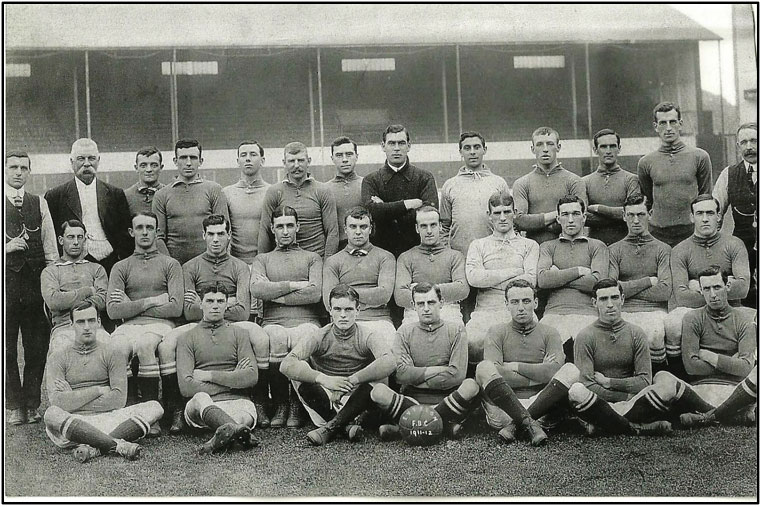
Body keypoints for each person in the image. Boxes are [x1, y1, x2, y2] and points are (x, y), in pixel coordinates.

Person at [162, 214, 269, 429]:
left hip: (231, 322)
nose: (216, 239)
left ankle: (259, 402)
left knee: (259, 336)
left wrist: (209, 306)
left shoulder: (239, 267)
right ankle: (175, 406)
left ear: (229, 235)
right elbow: (188, 311)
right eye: (211, 234)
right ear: (203, 236)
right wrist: (225, 303)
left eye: (221, 233)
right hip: (198, 322)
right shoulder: (190, 267)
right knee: (166, 345)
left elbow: (242, 312)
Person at [43, 301, 163, 463]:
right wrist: (98, 390)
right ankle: (117, 444)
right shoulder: (58, 357)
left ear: (99, 323)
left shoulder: (113, 353)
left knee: (155, 407)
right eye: (80, 322)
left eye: (91, 320)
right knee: (51, 414)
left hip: (109, 419)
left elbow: (119, 400)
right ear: (71, 325)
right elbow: (58, 402)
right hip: (74, 423)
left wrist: (73, 397)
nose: (87, 326)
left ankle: (94, 447)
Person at [281, 284, 396, 446]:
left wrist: (352, 380)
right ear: (330, 310)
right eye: (337, 309)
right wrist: (324, 379)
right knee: (298, 370)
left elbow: (390, 362)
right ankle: (344, 425)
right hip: (326, 401)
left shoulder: (368, 334)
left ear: (358, 310)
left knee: (380, 375)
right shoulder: (319, 336)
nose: (343, 315)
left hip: (359, 401)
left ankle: (333, 427)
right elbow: (286, 364)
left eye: (348, 309)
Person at [474, 280, 580, 445]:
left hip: (543, 407)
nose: (521, 307)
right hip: (505, 410)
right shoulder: (496, 332)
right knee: (483, 368)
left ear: (536, 303)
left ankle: (517, 425)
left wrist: (513, 366)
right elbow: (493, 371)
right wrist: (540, 373)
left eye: (526, 301)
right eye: (515, 302)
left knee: (571, 370)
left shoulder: (550, 333)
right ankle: (529, 424)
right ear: (506, 304)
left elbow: (554, 371)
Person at [107, 212, 184, 436]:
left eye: (149, 228)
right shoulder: (121, 267)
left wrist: (131, 305)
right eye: (139, 228)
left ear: (157, 232)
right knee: (117, 347)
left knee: (144, 345)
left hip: (161, 325)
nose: (144, 232)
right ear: (131, 232)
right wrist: (153, 300)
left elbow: (175, 307)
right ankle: (130, 409)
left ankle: (153, 414)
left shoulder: (171, 264)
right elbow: (113, 311)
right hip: (127, 326)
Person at [370, 283, 480, 440]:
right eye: (421, 304)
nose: (426, 308)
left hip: (447, 399)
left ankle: (407, 426)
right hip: (411, 400)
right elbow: (400, 375)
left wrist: (416, 372)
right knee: (378, 392)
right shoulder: (404, 332)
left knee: (471, 386)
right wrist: (438, 370)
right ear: (413, 306)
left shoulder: (456, 330)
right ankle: (443, 425)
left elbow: (457, 375)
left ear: (441, 303)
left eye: (431, 302)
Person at [567, 280, 673, 437]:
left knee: (665, 387)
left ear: (622, 299)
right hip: (601, 401)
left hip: (632, 402)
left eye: (614, 298)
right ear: (594, 302)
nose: (610, 304)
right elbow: (587, 384)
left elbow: (644, 381)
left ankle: (606, 425)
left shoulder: (636, 333)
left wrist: (609, 382)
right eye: (603, 299)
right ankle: (636, 428)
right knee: (576, 391)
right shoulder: (585, 336)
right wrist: (623, 397)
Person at [664, 195, 753, 378]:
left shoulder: (734, 244)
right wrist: (722, 287)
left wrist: (701, 287)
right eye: (700, 213)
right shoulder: (680, 250)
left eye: (710, 213)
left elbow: (743, 288)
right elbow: (682, 296)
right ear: (692, 217)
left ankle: (746, 378)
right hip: (695, 310)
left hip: (733, 307)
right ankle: (683, 378)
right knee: (673, 324)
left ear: (719, 216)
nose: (705, 218)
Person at [251, 206, 323, 429]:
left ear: (298, 227)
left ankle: (297, 404)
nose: (285, 231)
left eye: (290, 225)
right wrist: (294, 285)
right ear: (272, 228)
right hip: (274, 321)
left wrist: (276, 294)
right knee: (275, 337)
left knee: (306, 336)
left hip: (307, 320)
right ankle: (281, 403)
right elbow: (257, 290)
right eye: (280, 226)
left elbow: (315, 293)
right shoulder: (262, 259)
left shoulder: (312, 258)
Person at [6, 150, 58, 425]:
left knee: (37, 346)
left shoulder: (39, 203)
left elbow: (50, 247)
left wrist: (52, 283)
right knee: (7, 348)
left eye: (23, 168)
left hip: (35, 285)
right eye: (12, 167)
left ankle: (32, 402)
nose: (18, 172)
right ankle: (14, 404)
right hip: (6, 288)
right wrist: (6, 247)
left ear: (29, 171)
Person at [177, 283, 260, 454]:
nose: (215, 305)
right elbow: (186, 387)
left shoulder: (239, 333)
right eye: (209, 301)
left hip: (237, 400)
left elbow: (251, 377)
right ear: (201, 304)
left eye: (220, 301)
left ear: (227, 304)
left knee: (244, 417)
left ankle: (223, 436)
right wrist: (234, 378)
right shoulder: (186, 338)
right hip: (201, 408)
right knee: (200, 397)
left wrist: (208, 375)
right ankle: (235, 432)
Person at [440, 131, 511, 323]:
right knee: (463, 308)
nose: (472, 152)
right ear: (460, 152)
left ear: (485, 150)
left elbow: (507, 219)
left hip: (490, 257)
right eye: (467, 148)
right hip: (460, 257)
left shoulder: (498, 183)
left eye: (477, 147)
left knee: (490, 308)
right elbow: (445, 226)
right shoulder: (450, 185)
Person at [465, 191, 539, 363]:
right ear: (489, 215)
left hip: (518, 309)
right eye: (497, 213)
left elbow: (530, 280)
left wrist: (490, 279)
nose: (503, 218)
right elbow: (474, 278)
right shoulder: (478, 245)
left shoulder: (529, 245)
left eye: (507, 212)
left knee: (530, 343)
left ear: (514, 212)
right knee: (470, 343)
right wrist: (514, 271)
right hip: (486, 311)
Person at [678, 266, 757, 427]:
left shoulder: (744, 320)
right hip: (701, 391)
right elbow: (691, 368)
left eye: (717, 287)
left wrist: (709, 356)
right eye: (706, 289)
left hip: (736, 391)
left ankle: (706, 418)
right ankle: (736, 417)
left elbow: (746, 369)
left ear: (727, 287)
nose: (712, 295)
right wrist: (731, 363)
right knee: (663, 377)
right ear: (700, 291)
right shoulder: (692, 318)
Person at [45, 138, 132, 275]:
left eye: (91, 158)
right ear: (71, 162)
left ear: (98, 160)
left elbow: (125, 233)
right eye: (81, 158)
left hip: (110, 263)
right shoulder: (55, 196)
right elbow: (51, 236)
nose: (86, 164)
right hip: (72, 266)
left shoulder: (116, 194)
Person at [537, 195, 608, 362]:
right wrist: (578, 271)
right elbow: (543, 280)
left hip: (587, 314)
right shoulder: (547, 247)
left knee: (588, 356)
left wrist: (558, 275)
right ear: (558, 218)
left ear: (584, 218)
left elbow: (597, 284)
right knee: (548, 359)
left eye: (576, 214)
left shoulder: (597, 246)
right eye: (565, 214)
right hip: (554, 313)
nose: (570, 220)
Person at [608, 195, 672, 370]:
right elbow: (611, 290)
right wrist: (648, 281)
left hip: (654, 312)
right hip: (624, 311)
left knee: (655, 333)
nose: (636, 220)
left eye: (641, 214)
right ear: (623, 216)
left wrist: (626, 289)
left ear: (650, 214)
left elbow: (665, 291)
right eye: (631, 215)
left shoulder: (663, 249)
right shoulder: (613, 250)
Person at [637, 102, 712, 247]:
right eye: (663, 123)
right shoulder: (645, 162)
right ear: (655, 127)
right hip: (658, 233)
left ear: (680, 124)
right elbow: (647, 199)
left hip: (690, 231)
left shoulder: (700, 156)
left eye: (672, 122)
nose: (668, 128)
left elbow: (705, 196)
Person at [322, 206, 396, 348]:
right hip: (343, 322)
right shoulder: (333, 261)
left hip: (378, 321)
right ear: (345, 229)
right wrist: (370, 298)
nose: (358, 232)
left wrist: (344, 293)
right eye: (353, 226)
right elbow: (329, 301)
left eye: (363, 227)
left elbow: (384, 295)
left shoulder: (385, 257)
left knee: (388, 347)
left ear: (370, 229)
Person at [361, 124, 439, 258]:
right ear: (383, 146)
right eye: (391, 143)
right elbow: (372, 214)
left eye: (401, 143)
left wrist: (385, 209)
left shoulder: (425, 177)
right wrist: (407, 205)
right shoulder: (370, 180)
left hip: (418, 252)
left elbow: (429, 215)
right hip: (381, 253)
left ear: (409, 146)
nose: (396, 148)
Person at [152, 138, 229, 265]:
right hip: (174, 266)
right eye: (183, 158)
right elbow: (158, 237)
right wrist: (171, 266)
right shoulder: (162, 195)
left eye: (193, 157)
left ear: (200, 161)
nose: (188, 163)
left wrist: (213, 263)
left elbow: (223, 231)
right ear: (175, 161)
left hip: (208, 266)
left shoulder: (214, 190)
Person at [258, 141, 339, 258]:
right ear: (284, 163)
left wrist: (328, 265)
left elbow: (332, 231)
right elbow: (265, 230)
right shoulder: (274, 192)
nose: (296, 165)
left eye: (301, 160)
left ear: (309, 161)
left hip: (318, 260)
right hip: (284, 260)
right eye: (291, 161)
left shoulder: (323, 191)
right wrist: (262, 264)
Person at [41, 220, 109, 352]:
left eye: (80, 237)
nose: (76, 242)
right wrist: (88, 290)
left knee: (111, 347)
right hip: (64, 327)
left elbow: (103, 301)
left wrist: (67, 298)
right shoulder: (51, 271)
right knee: (60, 349)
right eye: (70, 237)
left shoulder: (96, 268)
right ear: (61, 240)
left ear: (85, 239)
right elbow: (54, 302)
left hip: (94, 327)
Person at [394, 206, 469, 326]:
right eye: (424, 226)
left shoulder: (455, 256)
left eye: (433, 225)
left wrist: (418, 289)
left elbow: (462, 290)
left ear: (440, 226)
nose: (429, 231)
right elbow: (400, 296)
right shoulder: (406, 258)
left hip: (447, 311)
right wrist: (444, 289)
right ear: (417, 228)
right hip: (415, 313)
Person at [513, 127, 587, 245]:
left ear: (558, 147)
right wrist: (558, 215)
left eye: (550, 144)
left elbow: (578, 219)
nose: (545, 149)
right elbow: (520, 221)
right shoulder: (522, 183)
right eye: (540, 145)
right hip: (534, 249)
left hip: (568, 248)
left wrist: (537, 224)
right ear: (533, 149)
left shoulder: (574, 181)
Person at [713, 122, 758, 309]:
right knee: (746, 293)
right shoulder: (728, 174)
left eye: (754, 141)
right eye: (744, 142)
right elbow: (715, 209)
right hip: (742, 248)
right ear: (738, 146)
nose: (749, 147)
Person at [582, 129, 641, 245]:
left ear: (619, 148)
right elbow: (582, 217)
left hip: (626, 246)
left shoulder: (631, 179)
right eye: (603, 147)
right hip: (595, 248)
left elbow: (633, 213)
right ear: (595, 150)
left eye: (612, 146)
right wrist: (619, 216)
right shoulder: (584, 182)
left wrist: (598, 209)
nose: (608, 151)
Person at [223, 140, 270, 266]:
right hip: (235, 264)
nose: (248, 159)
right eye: (243, 155)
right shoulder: (226, 193)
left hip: (265, 263)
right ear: (238, 161)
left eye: (253, 154)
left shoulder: (272, 191)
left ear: (262, 160)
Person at [325, 136, 364, 251]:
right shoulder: (325, 189)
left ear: (356, 157)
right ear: (332, 158)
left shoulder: (367, 184)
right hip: (338, 249)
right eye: (339, 155)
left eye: (349, 154)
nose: (345, 159)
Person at [124, 146, 166, 216]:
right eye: (143, 166)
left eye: (154, 165)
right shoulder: (126, 196)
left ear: (161, 168)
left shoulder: (168, 194)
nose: (149, 169)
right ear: (136, 168)